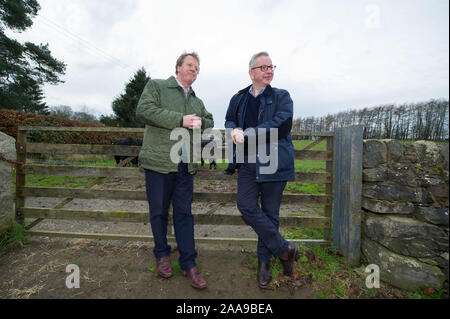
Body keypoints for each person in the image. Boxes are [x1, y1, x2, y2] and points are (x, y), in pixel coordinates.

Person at [136, 52, 214, 289]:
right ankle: (162, 255)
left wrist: (200, 121)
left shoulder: (196, 100)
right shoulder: (158, 86)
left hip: (185, 165)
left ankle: (189, 263)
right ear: (178, 67)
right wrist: (180, 119)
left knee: (184, 214)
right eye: (190, 65)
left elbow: (209, 119)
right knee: (158, 212)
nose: (194, 70)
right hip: (159, 163)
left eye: (198, 68)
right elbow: (143, 110)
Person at [224, 51, 298, 289]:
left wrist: (251, 132)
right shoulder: (238, 98)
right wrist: (233, 129)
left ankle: (264, 263)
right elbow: (229, 119)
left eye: (271, 66)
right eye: (263, 67)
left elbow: (282, 124)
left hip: (273, 161)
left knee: (270, 214)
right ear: (251, 72)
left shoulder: (281, 96)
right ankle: (284, 249)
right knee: (245, 205)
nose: (269, 71)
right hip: (247, 162)